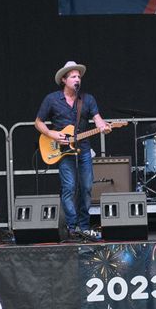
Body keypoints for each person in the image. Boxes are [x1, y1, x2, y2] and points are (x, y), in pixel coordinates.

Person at [34, 60, 111, 243]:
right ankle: (72, 226)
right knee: (68, 187)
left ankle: (83, 227)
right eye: (73, 76)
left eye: (79, 76)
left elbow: (98, 119)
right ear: (64, 80)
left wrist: (103, 126)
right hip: (62, 150)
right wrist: (51, 133)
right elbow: (38, 122)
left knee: (86, 188)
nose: (78, 79)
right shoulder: (52, 99)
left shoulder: (87, 99)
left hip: (83, 148)